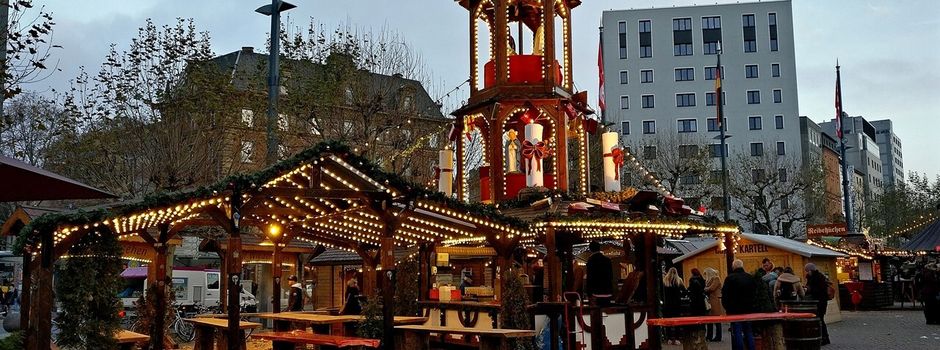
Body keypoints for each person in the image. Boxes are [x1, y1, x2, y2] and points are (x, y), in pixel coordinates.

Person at [722, 259, 757, 350]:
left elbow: (725, 294)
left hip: (734, 310)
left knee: (737, 332)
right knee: (749, 332)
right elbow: (755, 293)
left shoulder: (730, 278)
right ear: (742, 266)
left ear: (733, 267)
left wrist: (727, 307)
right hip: (748, 309)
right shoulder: (750, 277)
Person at [804, 263, 831, 345]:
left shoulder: (817, 278)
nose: (807, 272)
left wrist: (808, 290)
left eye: (807, 271)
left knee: (820, 320)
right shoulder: (816, 277)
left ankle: (823, 338)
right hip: (821, 301)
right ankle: (824, 338)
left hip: (819, 301)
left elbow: (818, 290)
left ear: (810, 270)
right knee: (820, 320)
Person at [662, 267, 687, 346]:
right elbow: (684, 291)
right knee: (677, 321)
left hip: (668, 304)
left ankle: (669, 338)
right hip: (677, 304)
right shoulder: (679, 280)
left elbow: (662, 292)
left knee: (668, 321)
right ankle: (677, 338)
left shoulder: (665, 281)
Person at [585, 241, 613, 305]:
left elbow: (590, 278)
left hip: (596, 293)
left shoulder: (591, 260)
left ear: (590, 249)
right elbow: (611, 276)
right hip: (607, 292)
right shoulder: (607, 260)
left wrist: (589, 293)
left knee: (595, 311)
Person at [703, 267, 724, 342]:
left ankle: (718, 336)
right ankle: (709, 336)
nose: (705, 276)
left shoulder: (716, 278)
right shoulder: (709, 280)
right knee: (709, 320)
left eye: (705, 274)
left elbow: (712, 288)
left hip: (715, 301)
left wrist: (705, 288)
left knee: (717, 320)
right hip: (710, 301)